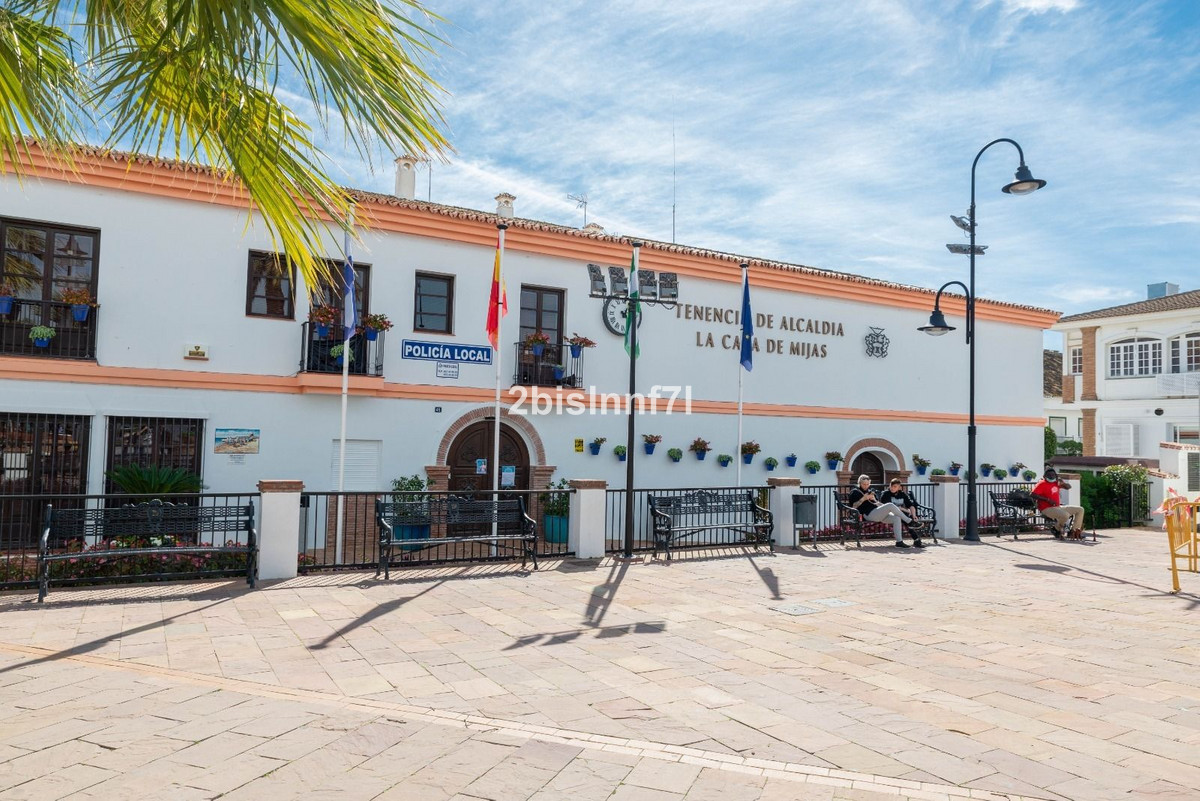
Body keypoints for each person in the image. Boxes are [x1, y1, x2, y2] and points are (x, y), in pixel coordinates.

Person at [848, 474, 925, 548]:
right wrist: (863, 498)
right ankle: (910, 522)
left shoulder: (870, 491)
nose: (866, 486)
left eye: (868, 484)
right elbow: (853, 506)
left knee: (897, 518)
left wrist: (874, 500)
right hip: (868, 514)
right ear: (859, 483)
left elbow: (879, 504)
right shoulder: (855, 492)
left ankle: (899, 542)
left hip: (878, 513)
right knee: (890, 505)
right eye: (864, 484)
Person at [1031, 468, 1085, 538]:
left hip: (1058, 507)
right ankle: (1056, 529)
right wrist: (1048, 500)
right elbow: (1032, 494)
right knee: (1065, 515)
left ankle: (1073, 532)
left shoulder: (1056, 483)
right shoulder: (1042, 483)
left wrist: (1063, 483)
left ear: (1055, 476)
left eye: (1053, 475)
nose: (1051, 477)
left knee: (1080, 509)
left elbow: (1068, 487)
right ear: (1044, 476)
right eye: (1049, 475)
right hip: (1046, 508)